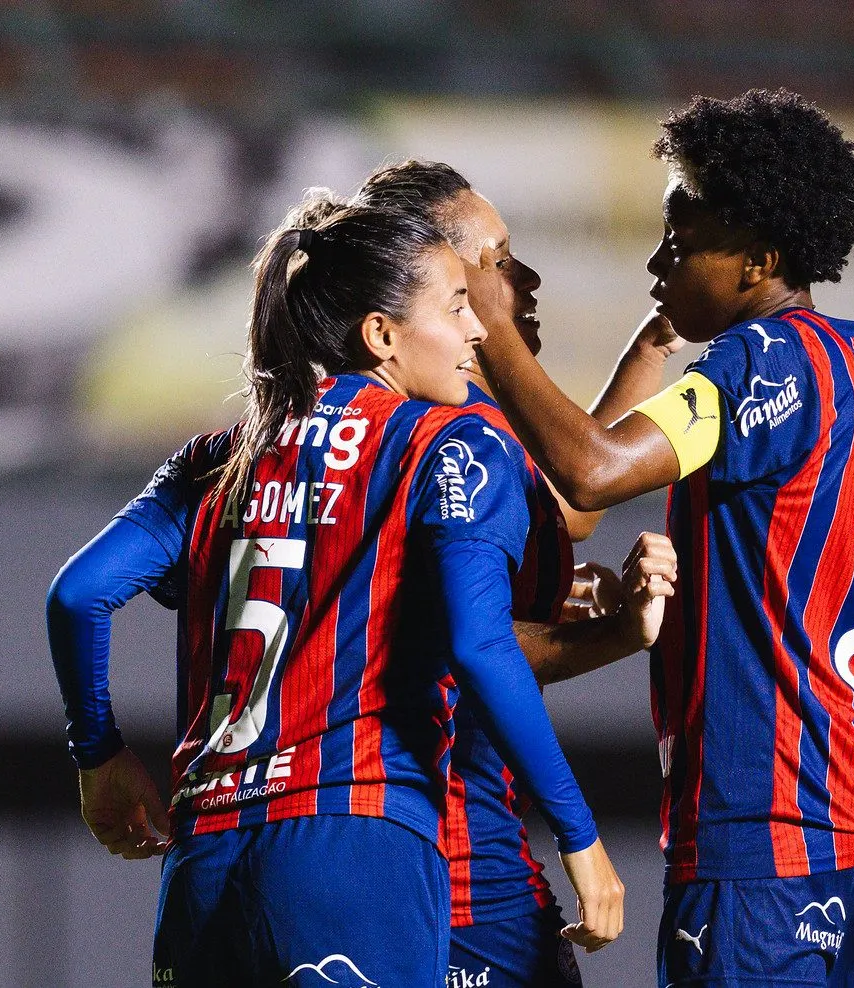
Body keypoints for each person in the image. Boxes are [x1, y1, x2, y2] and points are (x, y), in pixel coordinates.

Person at [46, 198, 626, 987]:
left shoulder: (219, 457)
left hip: (204, 857)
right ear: (381, 335)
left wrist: (99, 756)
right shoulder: (449, 440)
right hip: (353, 848)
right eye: (457, 308)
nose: (479, 331)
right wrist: (581, 838)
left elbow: (78, 595)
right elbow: (481, 643)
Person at [462, 89, 854, 986]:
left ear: (758, 260)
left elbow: (590, 471)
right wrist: (650, 349)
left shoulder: (763, 361)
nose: (660, 256)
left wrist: (491, 328)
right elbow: (577, 500)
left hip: (765, 826)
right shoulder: (843, 362)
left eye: (684, 231)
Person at [352, 160, 683, 987]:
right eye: (500, 260)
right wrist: (617, 635)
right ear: (438, 272)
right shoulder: (443, 431)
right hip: (447, 839)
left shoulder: (365, 421)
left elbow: (564, 505)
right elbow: (467, 645)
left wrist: (652, 344)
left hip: (340, 835)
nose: (524, 278)